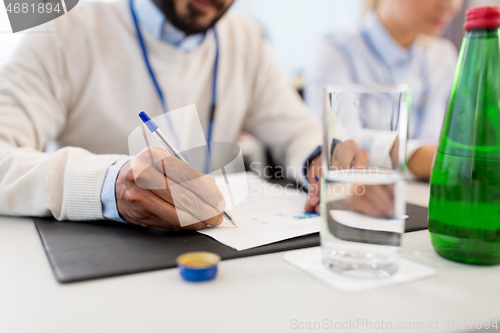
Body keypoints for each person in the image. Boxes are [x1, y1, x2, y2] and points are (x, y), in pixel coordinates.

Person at [0, 0, 369, 230]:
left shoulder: (243, 38)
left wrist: (321, 155)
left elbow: (296, 130)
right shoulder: (66, 27)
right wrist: (109, 184)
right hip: (100, 269)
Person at [304, 0, 464, 179]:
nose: (452, 5)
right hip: (366, 198)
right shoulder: (336, 49)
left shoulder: (444, 58)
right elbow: (338, 147)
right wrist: (448, 159)